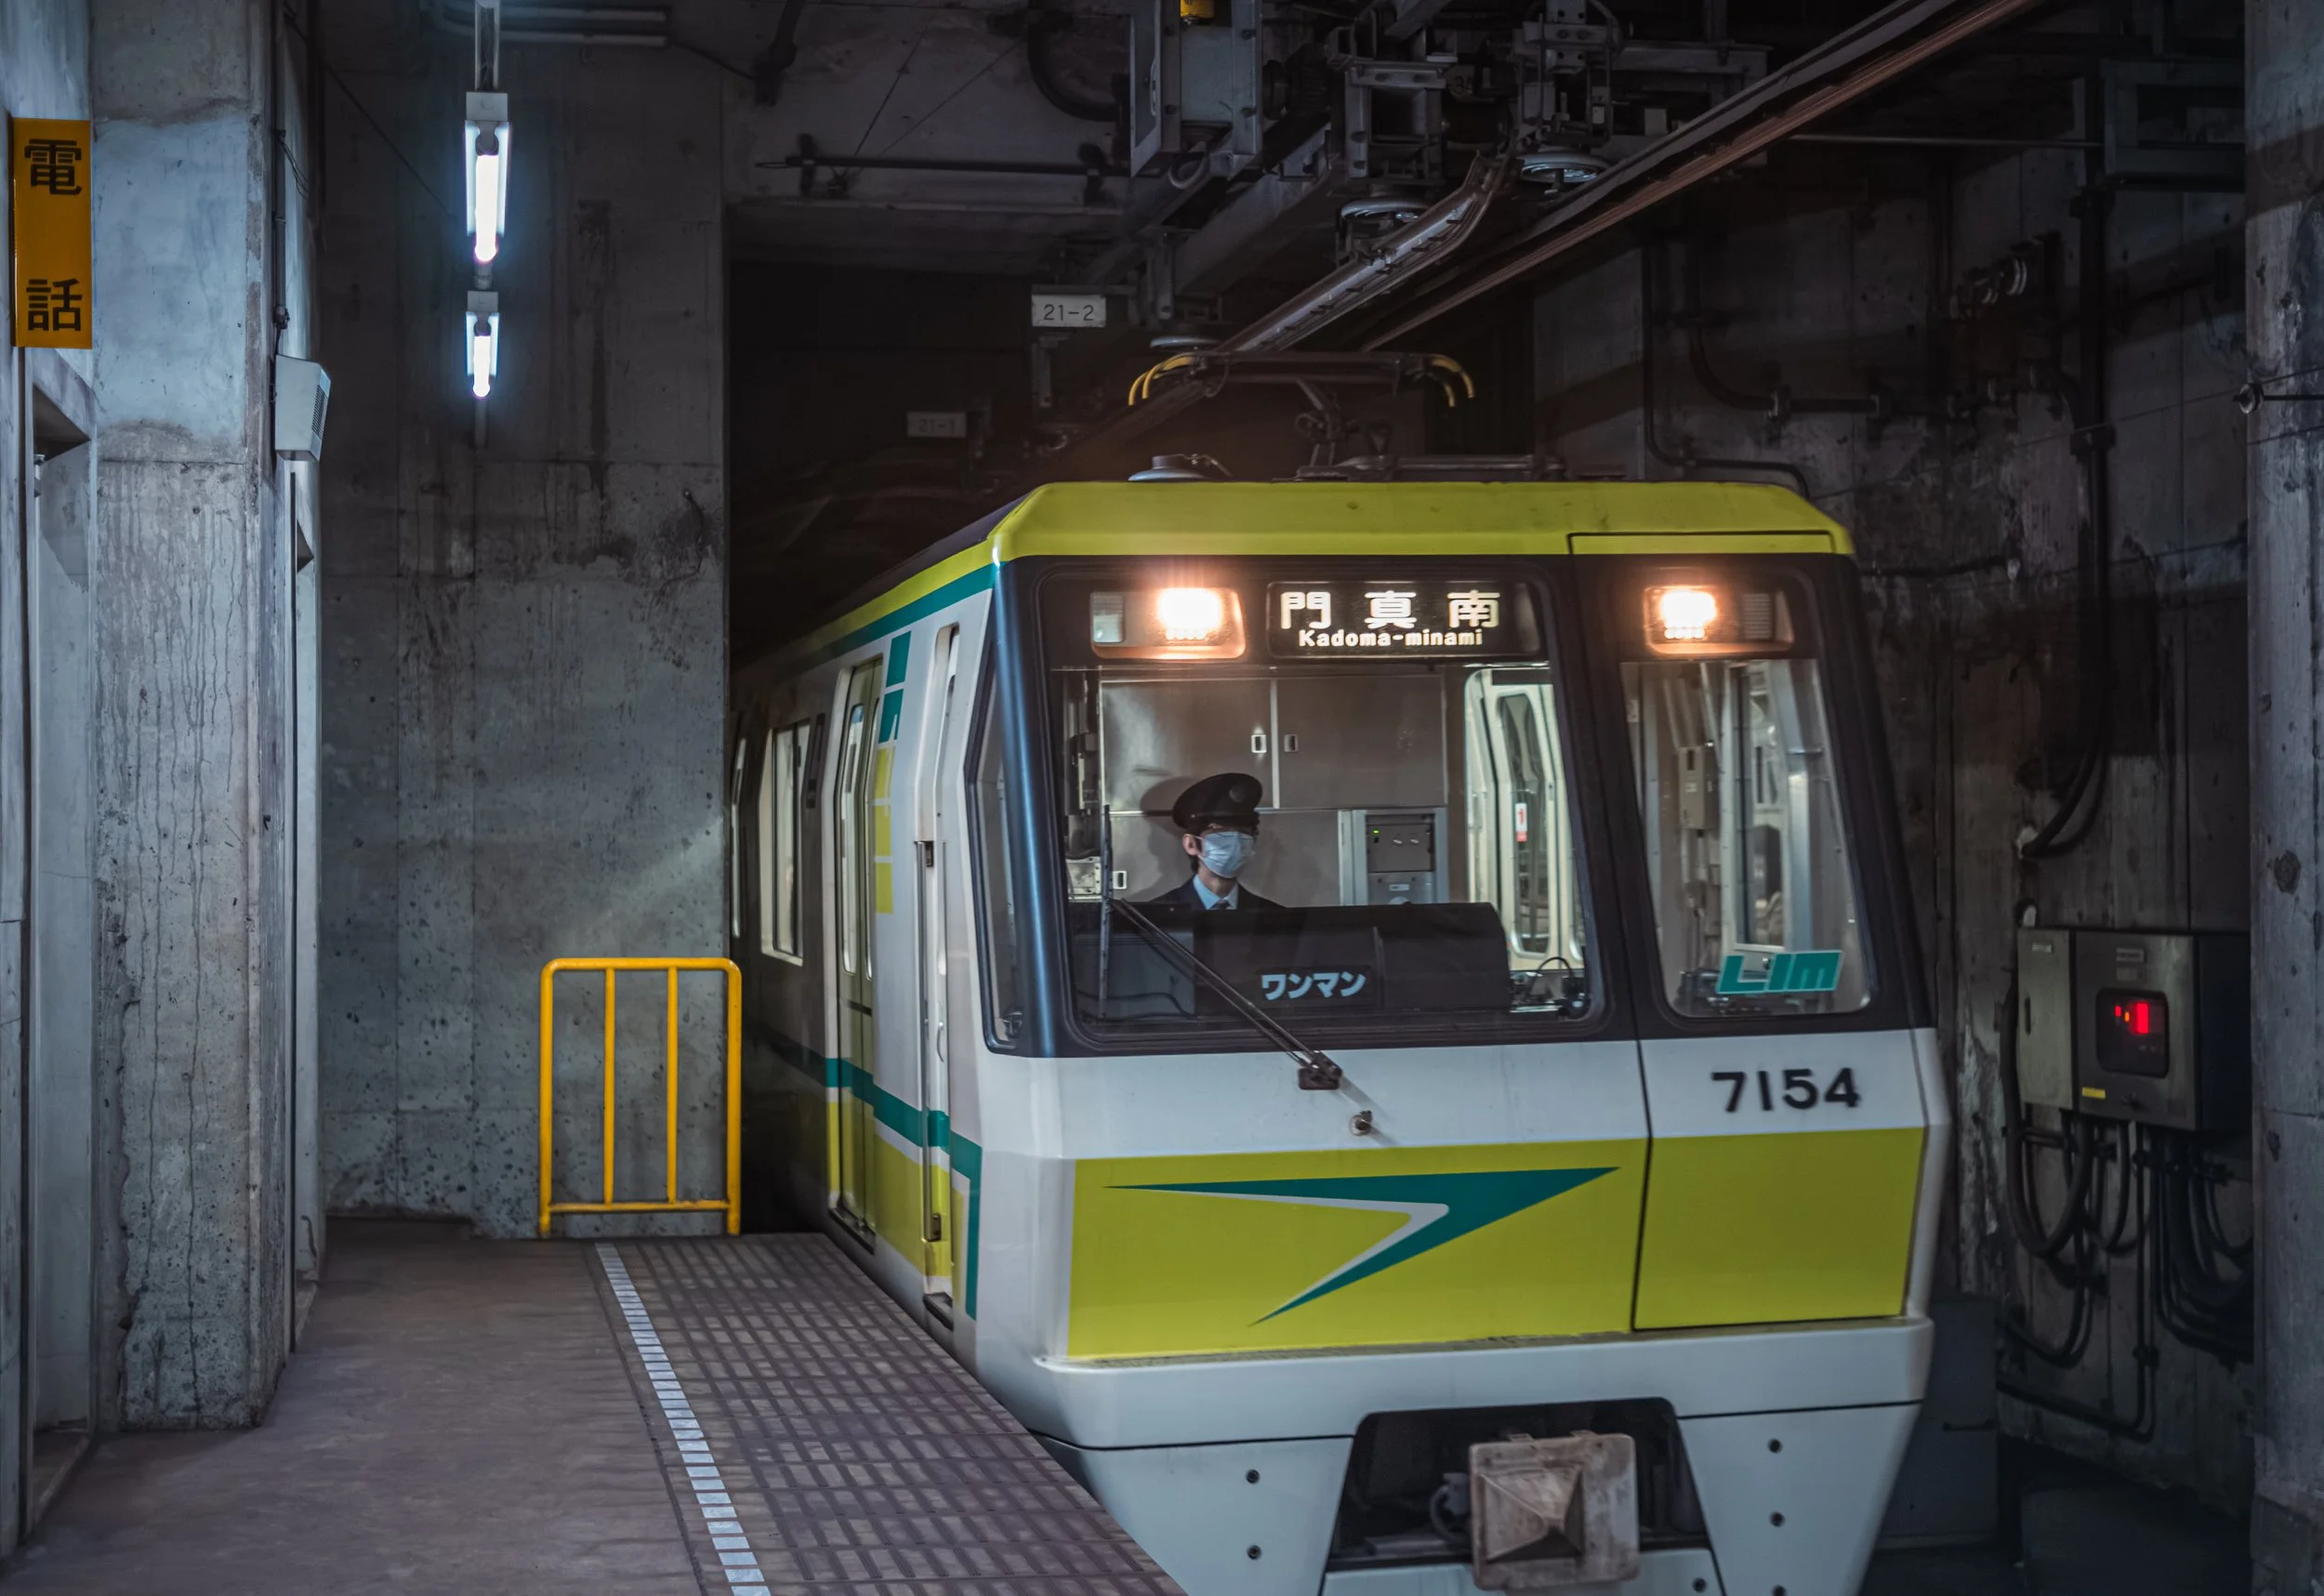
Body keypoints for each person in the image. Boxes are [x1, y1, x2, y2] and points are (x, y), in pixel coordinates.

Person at [1145, 772, 1286, 911]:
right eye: (1218, 829)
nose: (1235, 840)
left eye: (1243, 830)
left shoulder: (1273, 916)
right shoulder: (1157, 917)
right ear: (1191, 844)